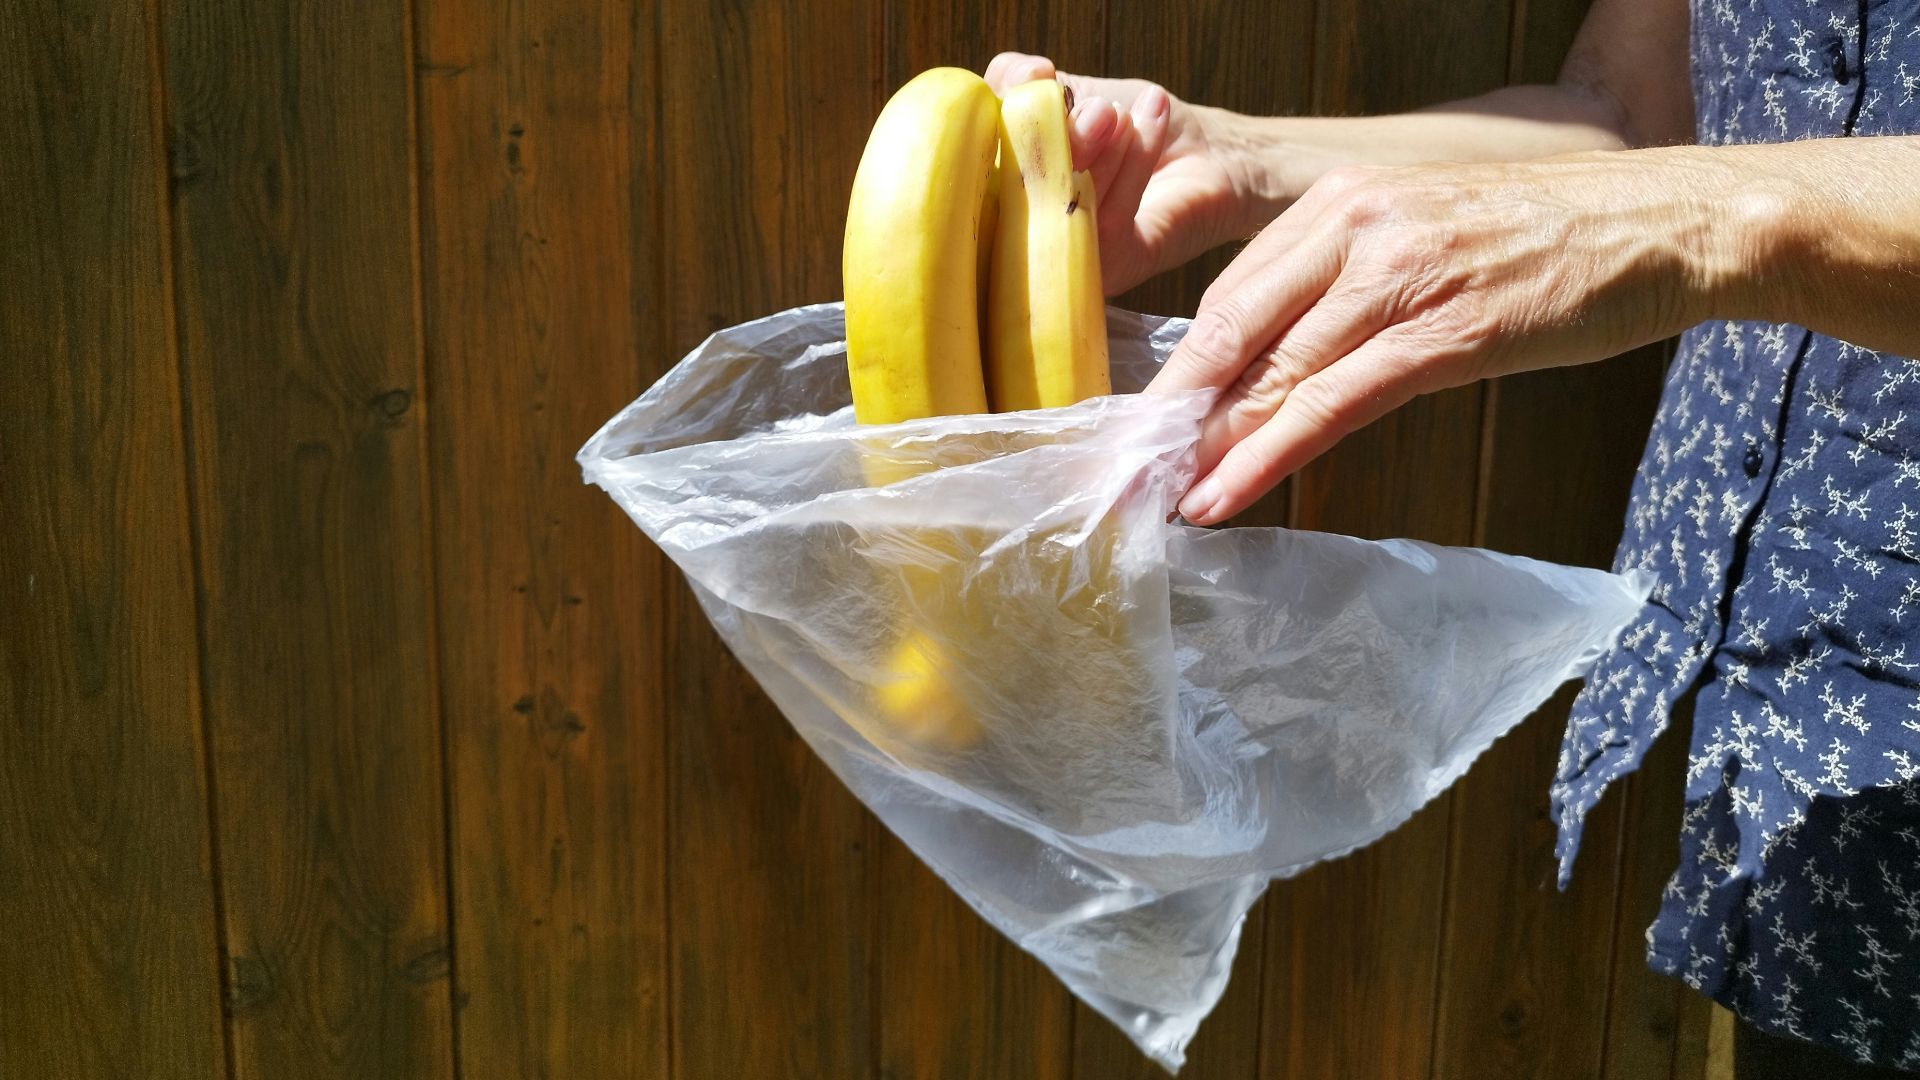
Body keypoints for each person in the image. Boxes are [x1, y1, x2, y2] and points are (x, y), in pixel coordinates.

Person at [986, 0, 1920, 1074]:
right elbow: (1623, 116)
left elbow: (1661, 190)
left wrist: (1706, 220)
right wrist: (1235, 154)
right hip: (1761, 713)